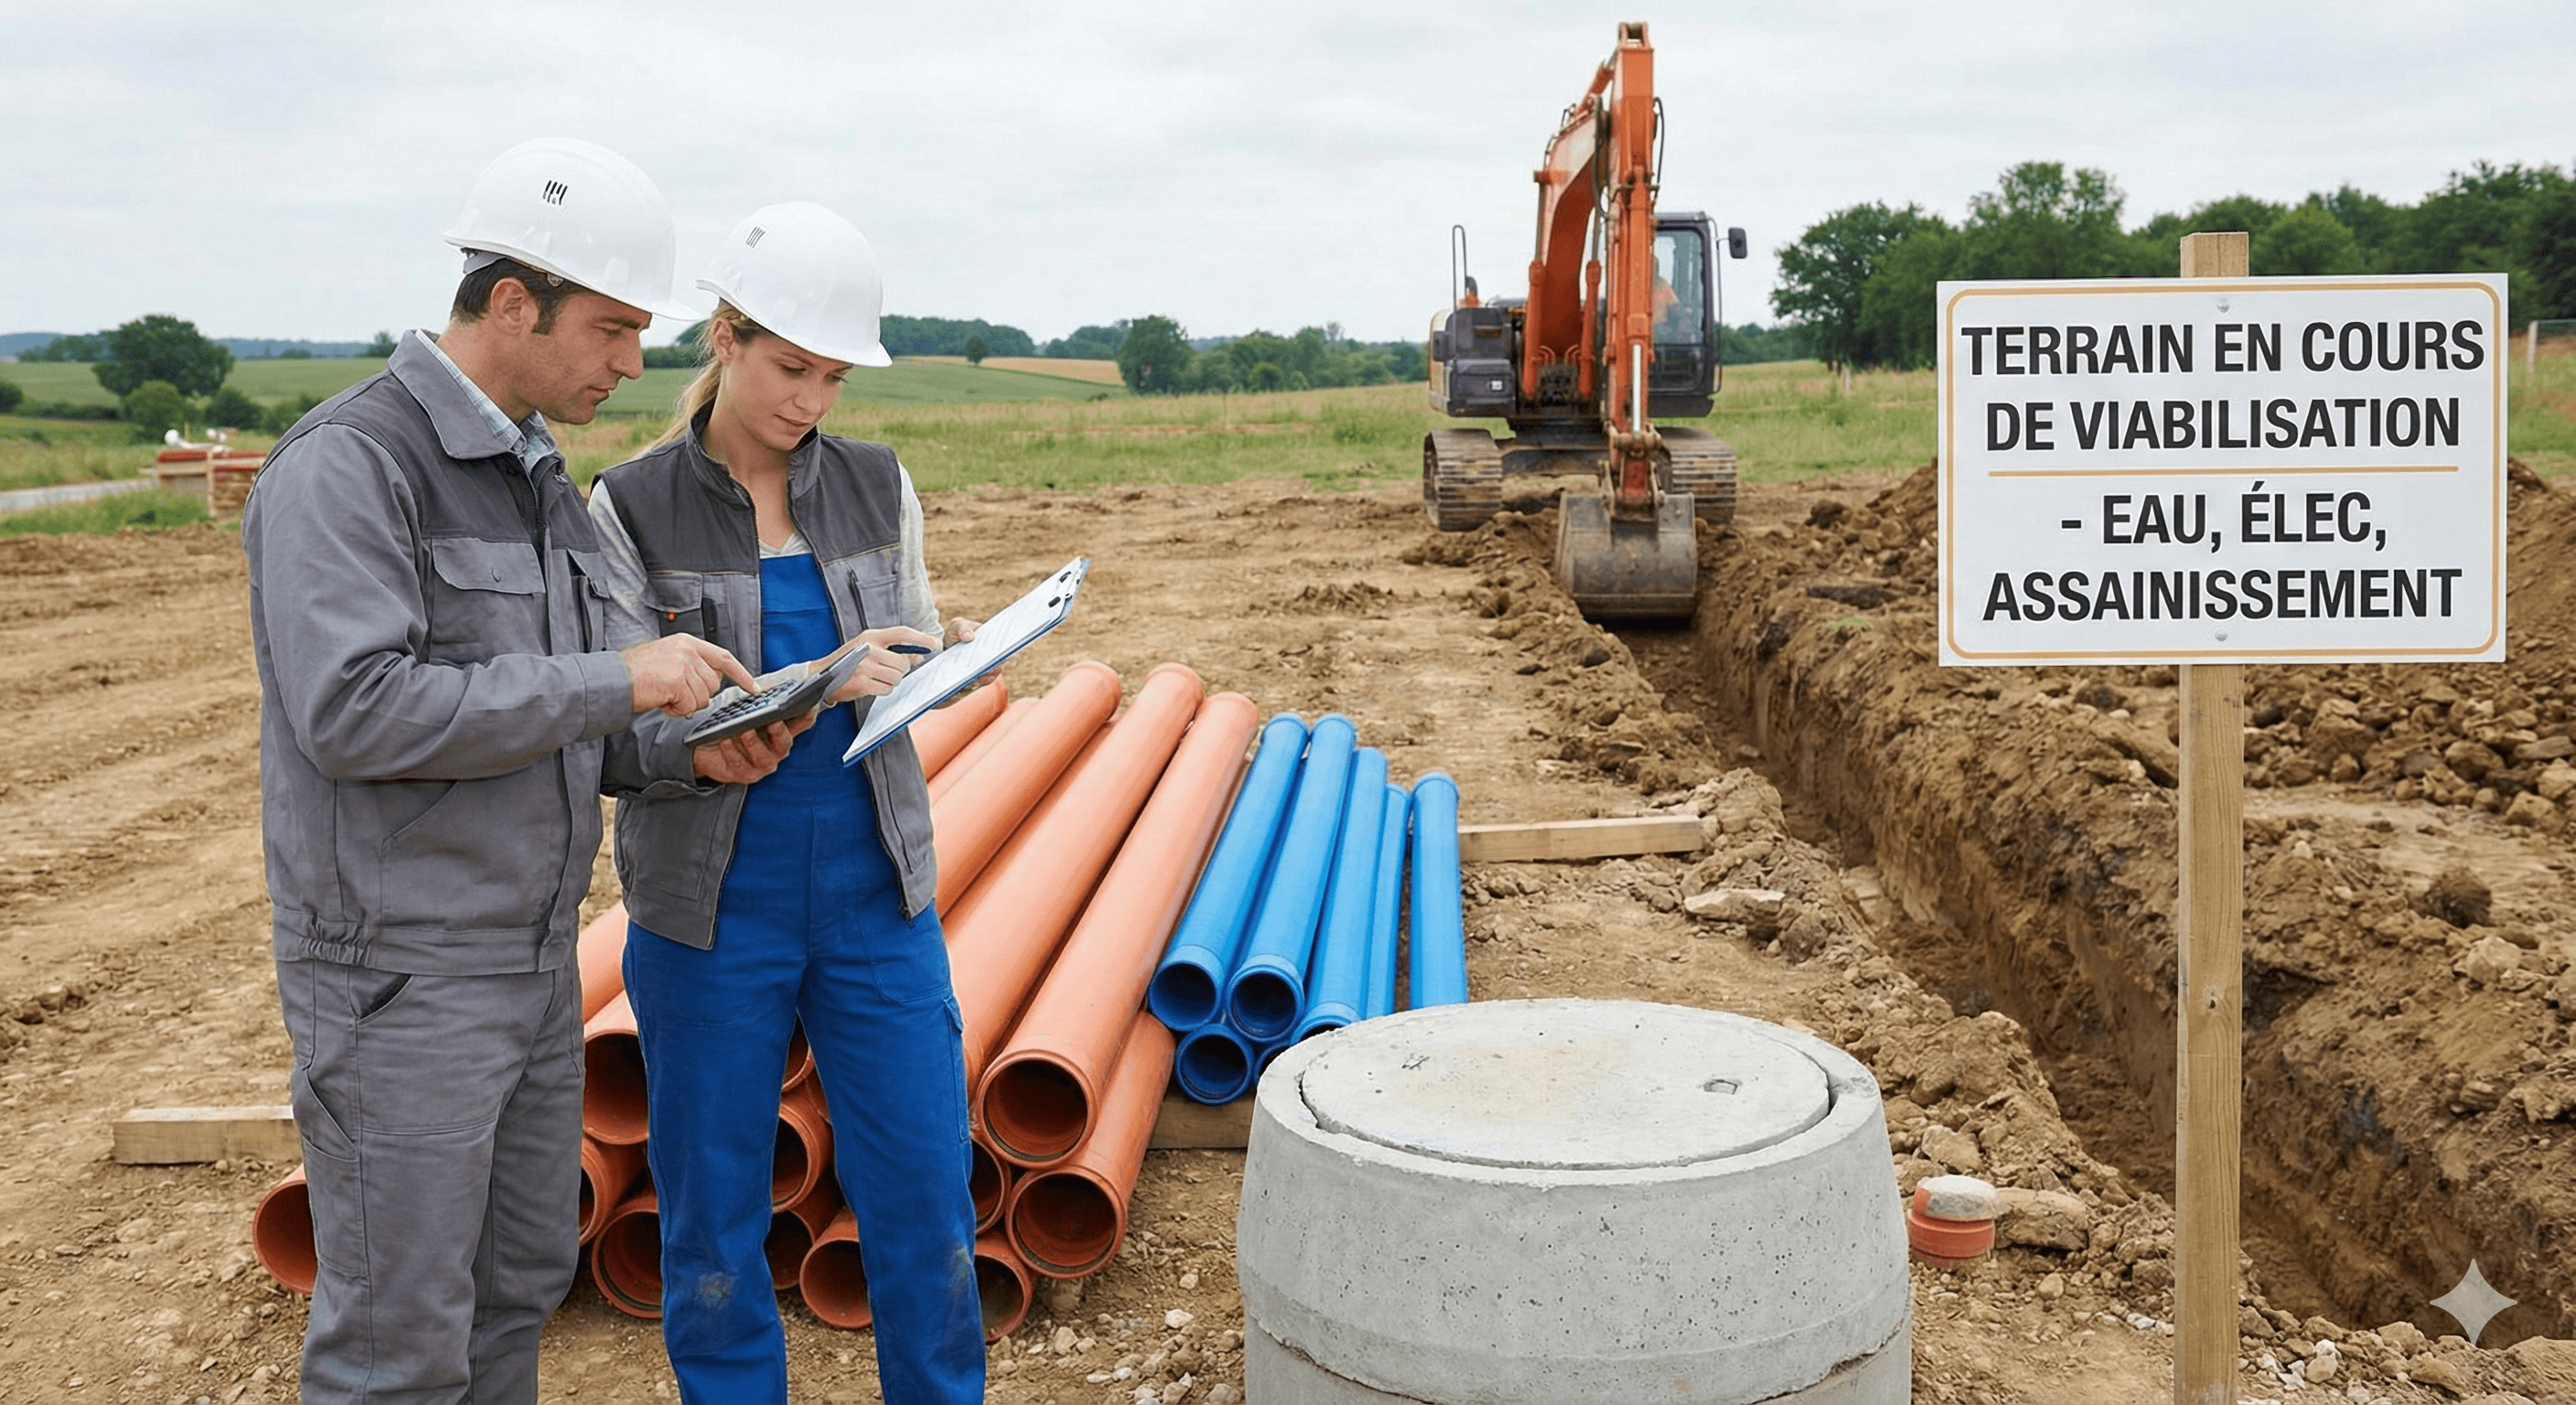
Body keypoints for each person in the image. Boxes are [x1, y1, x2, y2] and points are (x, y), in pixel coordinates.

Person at [242, 137, 770, 1405]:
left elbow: (558, 723)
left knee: (514, 1288)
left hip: (531, 966)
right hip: (402, 980)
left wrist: (692, 748)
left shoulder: (533, 473)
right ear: (517, 302)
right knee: (399, 1339)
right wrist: (620, 680)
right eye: (614, 329)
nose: (633, 365)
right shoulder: (352, 465)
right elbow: (355, 712)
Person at [584, 201, 986, 1403]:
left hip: (876, 899)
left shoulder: (878, 484)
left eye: (834, 377)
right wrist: (712, 744)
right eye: (790, 368)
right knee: (712, 1219)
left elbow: (908, 649)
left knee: (924, 1201)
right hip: (709, 917)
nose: (811, 400)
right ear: (725, 339)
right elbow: (602, 732)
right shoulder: (627, 507)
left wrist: (952, 658)